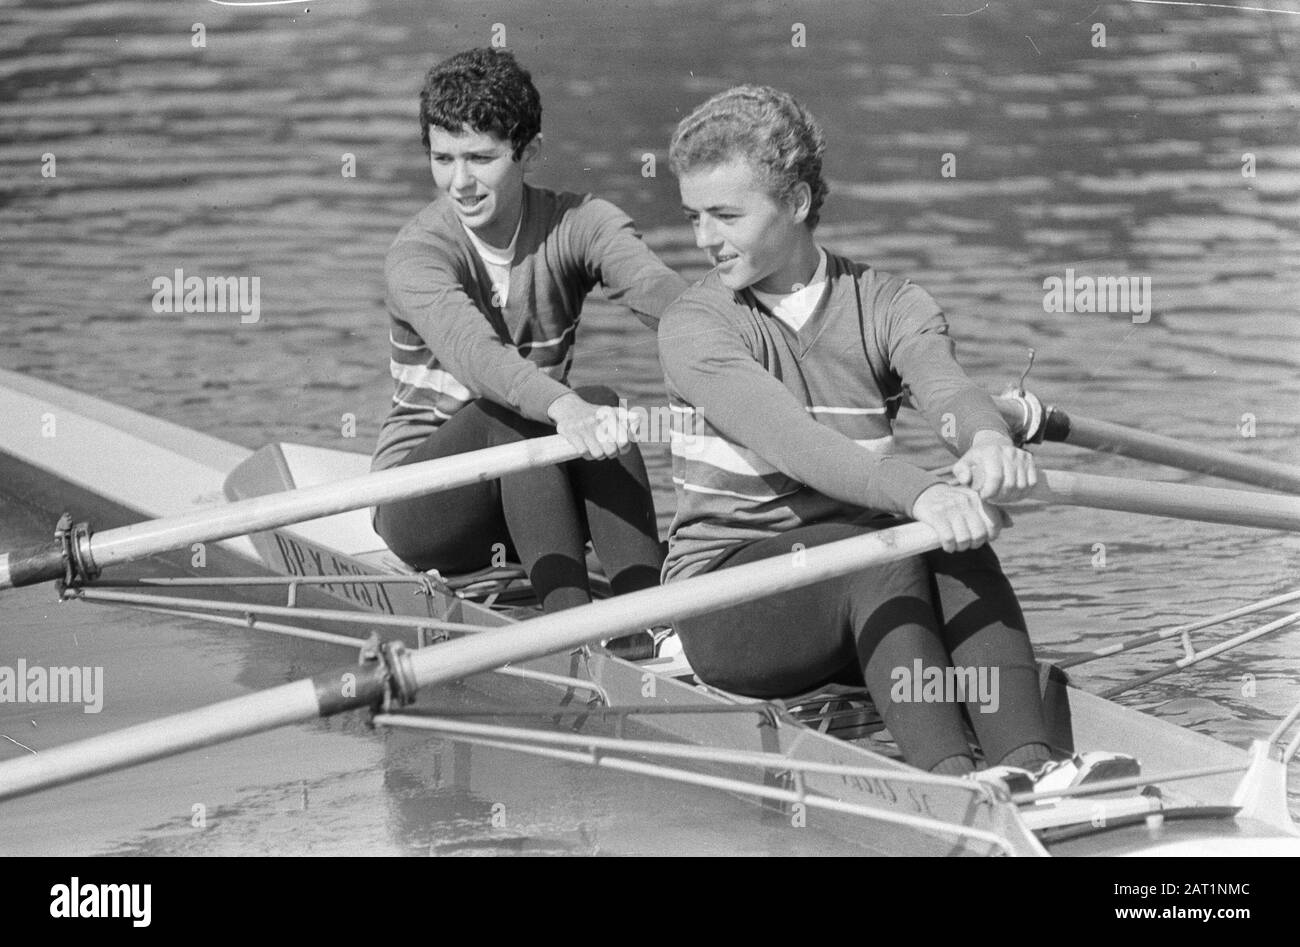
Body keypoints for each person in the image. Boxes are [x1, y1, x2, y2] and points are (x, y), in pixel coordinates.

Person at [658, 85, 1134, 789]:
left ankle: (1033, 770)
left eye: (725, 215)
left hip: (867, 596)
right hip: (732, 606)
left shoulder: (888, 303)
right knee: (894, 535)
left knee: (954, 538)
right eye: (694, 217)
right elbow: (797, 443)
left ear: (795, 202)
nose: (703, 239)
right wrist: (922, 492)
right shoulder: (696, 326)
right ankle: (950, 783)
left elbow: (946, 390)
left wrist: (985, 443)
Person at [371, 49, 686, 651]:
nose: (458, 182)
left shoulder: (581, 223)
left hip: (528, 490)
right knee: (524, 411)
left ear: (530, 153)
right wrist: (566, 410)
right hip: (425, 507)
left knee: (602, 402)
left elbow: (657, 291)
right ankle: (581, 633)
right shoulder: (418, 255)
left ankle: (651, 618)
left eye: (480, 158)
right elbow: (478, 357)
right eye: (443, 159)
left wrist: (745, 346)